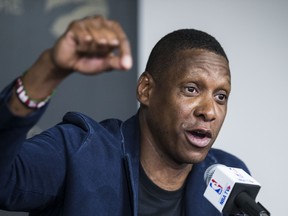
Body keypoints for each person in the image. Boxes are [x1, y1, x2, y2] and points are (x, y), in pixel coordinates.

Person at [0, 15, 249, 215]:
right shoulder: (79, 151)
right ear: (146, 90)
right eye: (191, 89)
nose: (209, 111)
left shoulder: (228, 178)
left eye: (221, 96)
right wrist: (49, 70)